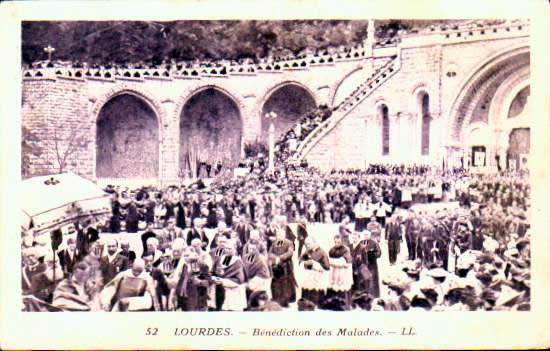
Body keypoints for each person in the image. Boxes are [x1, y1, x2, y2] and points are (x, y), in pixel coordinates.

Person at [212, 239, 247, 311]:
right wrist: (219, 274)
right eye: (226, 248)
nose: (228, 250)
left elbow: (239, 275)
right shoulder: (224, 258)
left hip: (235, 283)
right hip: (224, 282)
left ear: (234, 249)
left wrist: (223, 278)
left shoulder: (237, 260)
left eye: (230, 249)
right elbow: (222, 271)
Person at [268, 226, 297, 307]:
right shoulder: (274, 243)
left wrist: (280, 258)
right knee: (276, 281)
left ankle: (286, 299)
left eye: (281, 234)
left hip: (286, 265)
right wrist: (274, 258)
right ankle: (276, 297)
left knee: (286, 282)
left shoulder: (289, 242)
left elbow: (290, 253)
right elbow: (270, 253)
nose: (280, 236)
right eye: (278, 234)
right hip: (276, 266)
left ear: (284, 235)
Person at [298, 237, 330, 308]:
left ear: (314, 243)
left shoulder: (322, 252)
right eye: (306, 244)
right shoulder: (307, 251)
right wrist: (305, 263)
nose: (307, 245)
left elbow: (327, 267)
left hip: (317, 280)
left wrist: (316, 266)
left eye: (309, 244)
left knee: (316, 301)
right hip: (307, 280)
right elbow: (300, 260)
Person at [327, 234, 353, 309]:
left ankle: (344, 305)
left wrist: (332, 262)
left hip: (342, 273)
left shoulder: (345, 250)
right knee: (333, 288)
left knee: (342, 288)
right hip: (334, 273)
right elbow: (328, 260)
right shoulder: (332, 250)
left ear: (342, 242)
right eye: (335, 242)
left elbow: (345, 262)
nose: (336, 244)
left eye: (338, 242)